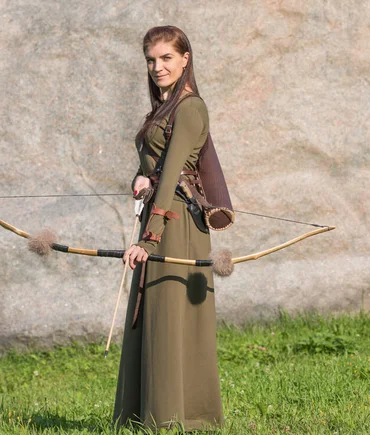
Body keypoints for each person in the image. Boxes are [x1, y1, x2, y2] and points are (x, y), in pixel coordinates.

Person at [113, 26, 224, 431]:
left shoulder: (190, 108)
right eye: (151, 60)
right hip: (160, 214)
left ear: (185, 59)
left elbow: (174, 171)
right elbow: (157, 170)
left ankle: (182, 416)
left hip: (176, 226)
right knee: (153, 317)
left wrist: (149, 238)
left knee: (169, 316)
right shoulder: (162, 106)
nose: (157, 67)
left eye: (166, 58)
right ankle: (145, 415)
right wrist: (139, 179)